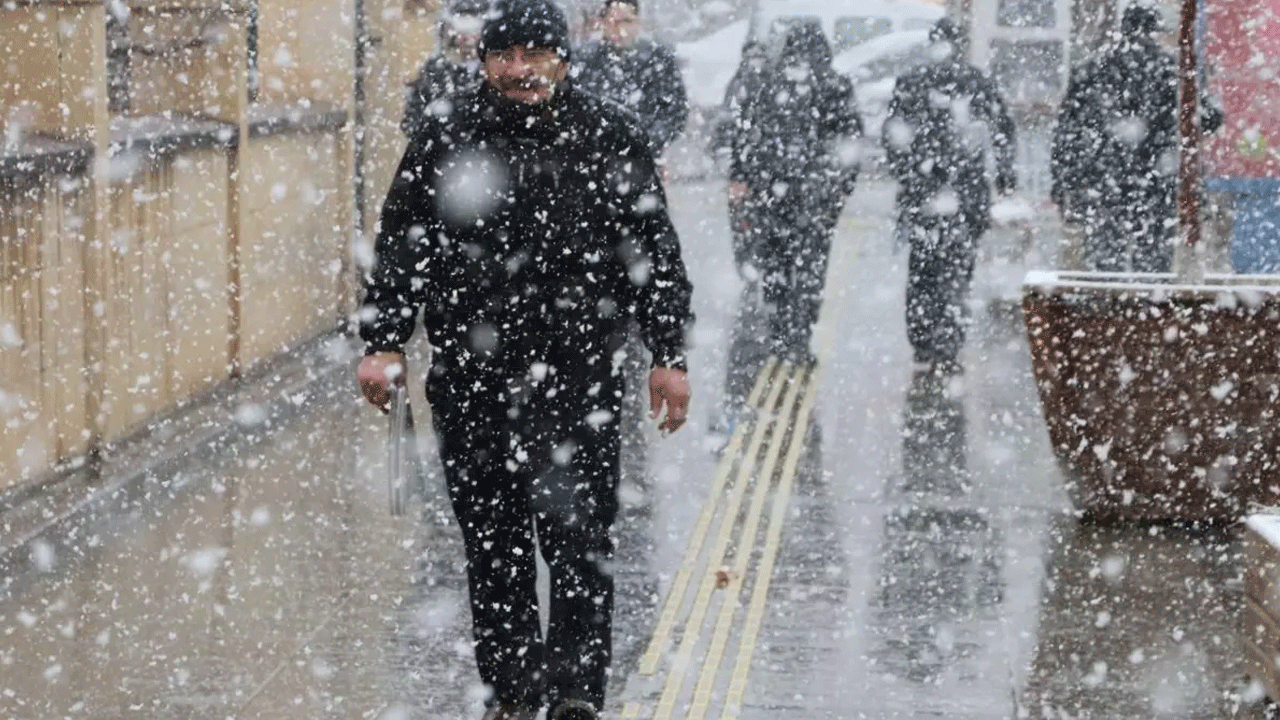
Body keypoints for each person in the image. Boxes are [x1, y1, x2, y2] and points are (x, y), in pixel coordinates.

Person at [355, 1, 695, 718]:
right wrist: (383, 340)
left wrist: (668, 351)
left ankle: (574, 696)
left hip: (579, 377)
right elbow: (403, 244)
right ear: (483, 61)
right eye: (505, 56)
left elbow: (655, 253)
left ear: (564, 58)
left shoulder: (609, 134)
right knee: (494, 544)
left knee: (578, 542)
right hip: (472, 379)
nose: (521, 70)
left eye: (536, 55)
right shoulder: (446, 136)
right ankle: (513, 693)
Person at [882, 17, 1016, 376]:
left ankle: (923, 341)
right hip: (967, 194)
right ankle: (949, 343)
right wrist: (1004, 173)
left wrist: (913, 174)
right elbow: (1003, 129)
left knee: (923, 271)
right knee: (957, 271)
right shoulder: (976, 81)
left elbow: (893, 140)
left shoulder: (911, 83)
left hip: (924, 197)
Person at [724, 20, 861, 363]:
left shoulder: (767, 84)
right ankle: (800, 333)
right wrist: (841, 186)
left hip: (772, 192)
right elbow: (850, 143)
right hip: (816, 196)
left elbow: (746, 137)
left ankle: (779, 330)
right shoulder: (835, 85)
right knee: (812, 265)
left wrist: (744, 176)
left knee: (775, 261)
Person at [1050, 3, 1223, 273]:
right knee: (1154, 267)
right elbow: (1210, 118)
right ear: (1154, 30)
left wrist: (1062, 181)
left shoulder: (1091, 68)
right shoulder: (1174, 70)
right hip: (1158, 184)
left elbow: (1065, 131)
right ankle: (1148, 307)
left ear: (1123, 29)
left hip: (1104, 183)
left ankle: (1107, 310)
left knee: (1105, 266)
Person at [572, 0, 689, 157]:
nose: (621, 29)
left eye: (627, 21)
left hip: (643, 160)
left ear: (638, 23)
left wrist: (645, 141)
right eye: (614, 21)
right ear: (603, 23)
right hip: (590, 159)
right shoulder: (583, 61)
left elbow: (675, 112)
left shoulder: (658, 60)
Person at [400, 0, 488, 137]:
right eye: (461, 28)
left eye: (472, 28)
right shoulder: (436, 68)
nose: (466, 37)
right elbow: (412, 120)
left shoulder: (494, 68)